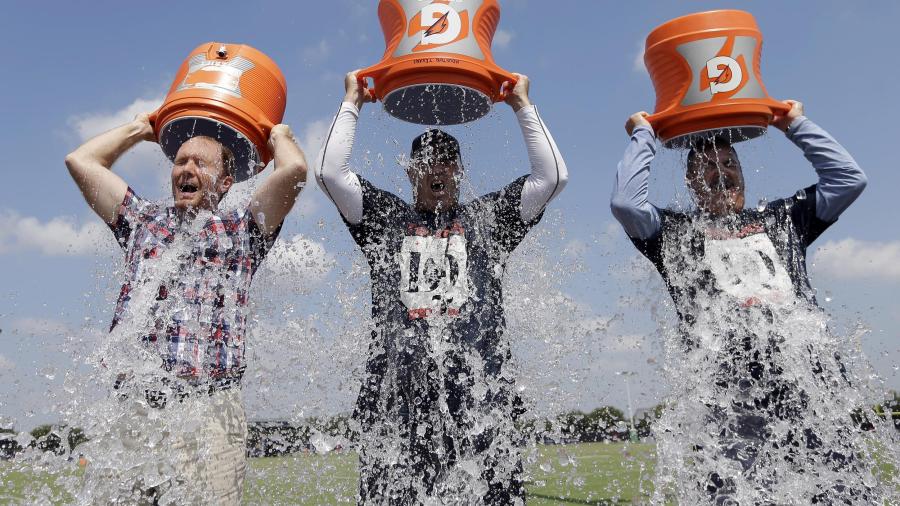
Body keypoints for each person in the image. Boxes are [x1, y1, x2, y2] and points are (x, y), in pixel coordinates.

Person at [316, 70, 568, 504]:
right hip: (398, 406)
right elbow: (330, 174)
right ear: (411, 171)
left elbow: (552, 179)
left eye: (448, 162)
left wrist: (522, 104)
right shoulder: (386, 220)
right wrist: (352, 101)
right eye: (428, 162)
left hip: (480, 405)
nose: (439, 170)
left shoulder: (485, 221)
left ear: (461, 172)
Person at [611, 101, 875, 503]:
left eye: (729, 162)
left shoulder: (783, 218)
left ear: (742, 173)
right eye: (708, 168)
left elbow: (848, 180)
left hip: (807, 389)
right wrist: (644, 134)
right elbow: (627, 204)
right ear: (691, 183)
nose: (721, 173)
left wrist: (793, 123)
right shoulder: (674, 233)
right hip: (730, 405)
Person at [65, 113, 308, 504]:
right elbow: (81, 161)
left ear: (226, 182)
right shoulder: (142, 221)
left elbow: (294, 168)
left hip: (210, 413)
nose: (186, 169)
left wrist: (277, 134)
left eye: (200, 163)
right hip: (136, 408)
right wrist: (142, 129)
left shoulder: (243, 231)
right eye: (180, 161)